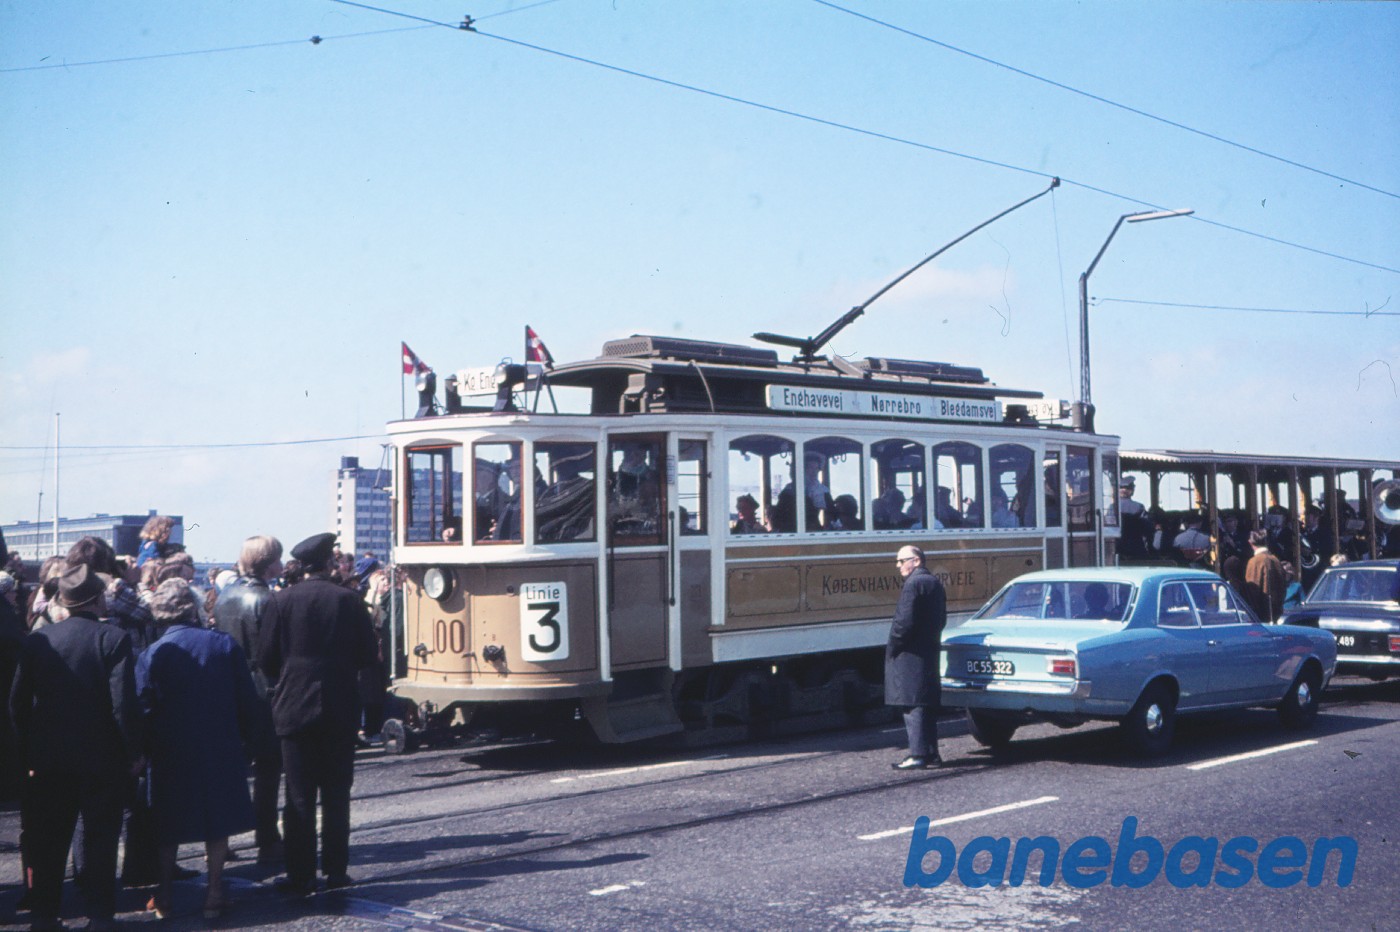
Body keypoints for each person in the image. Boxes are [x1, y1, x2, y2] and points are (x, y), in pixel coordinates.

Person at [9, 564, 142, 931]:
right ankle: (99, 916)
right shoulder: (113, 638)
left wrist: (27, 752)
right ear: (98, 599)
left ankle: (44, 917)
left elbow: (17, 703)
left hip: (48, 759)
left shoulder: (39, 639)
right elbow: (123, 705)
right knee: (99, 840)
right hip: (102, 759)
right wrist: (134, 753)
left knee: (48, 842)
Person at [258, 532, 378, 895]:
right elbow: (367, 656)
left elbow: (266, 659)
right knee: (337, 792)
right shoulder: (349, 600)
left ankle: (300, 874)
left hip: (294, 706)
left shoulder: (280, 601)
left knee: (298, 794)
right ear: (329, 563)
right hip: (340, 705)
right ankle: (337, 870)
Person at [138, 578, 264, 920]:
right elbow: (247, 701)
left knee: (168, 824)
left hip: (170, 750)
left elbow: (143, 707)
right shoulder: (222, 645)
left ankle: (163, 895)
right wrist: (253, 741)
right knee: (216, 822)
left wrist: (144, 750)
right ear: (193, 607)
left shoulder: (152, 653)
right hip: (219, 746)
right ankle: (214, 892)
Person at [212, 534, 286, 864]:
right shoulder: (267, 599)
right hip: (263, 690)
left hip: (230, 687)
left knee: (231, 770)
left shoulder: (225, 595)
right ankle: (267, 838)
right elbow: (274, 652)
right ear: (270, 563)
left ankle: (220, 842)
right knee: (269, 769)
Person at [885, 546, 947, 770]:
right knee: (925, 703)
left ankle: (918, 754)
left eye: (902, 561)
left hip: (910, 653)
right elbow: (942, 619)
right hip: (928, 649)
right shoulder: (934, 582)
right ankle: (931, 753)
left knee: (912, 704)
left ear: (917, 561)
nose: (898, 565)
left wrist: (893, 645)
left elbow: (903, 622)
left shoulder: (913, 584)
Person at [1244, 529, 1286, 623]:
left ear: (1250, 543)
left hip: (1261, 616)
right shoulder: (1276, 560)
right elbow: (1283, 587)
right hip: (1277, 613)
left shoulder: (1254, 562)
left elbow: (1252, 591)